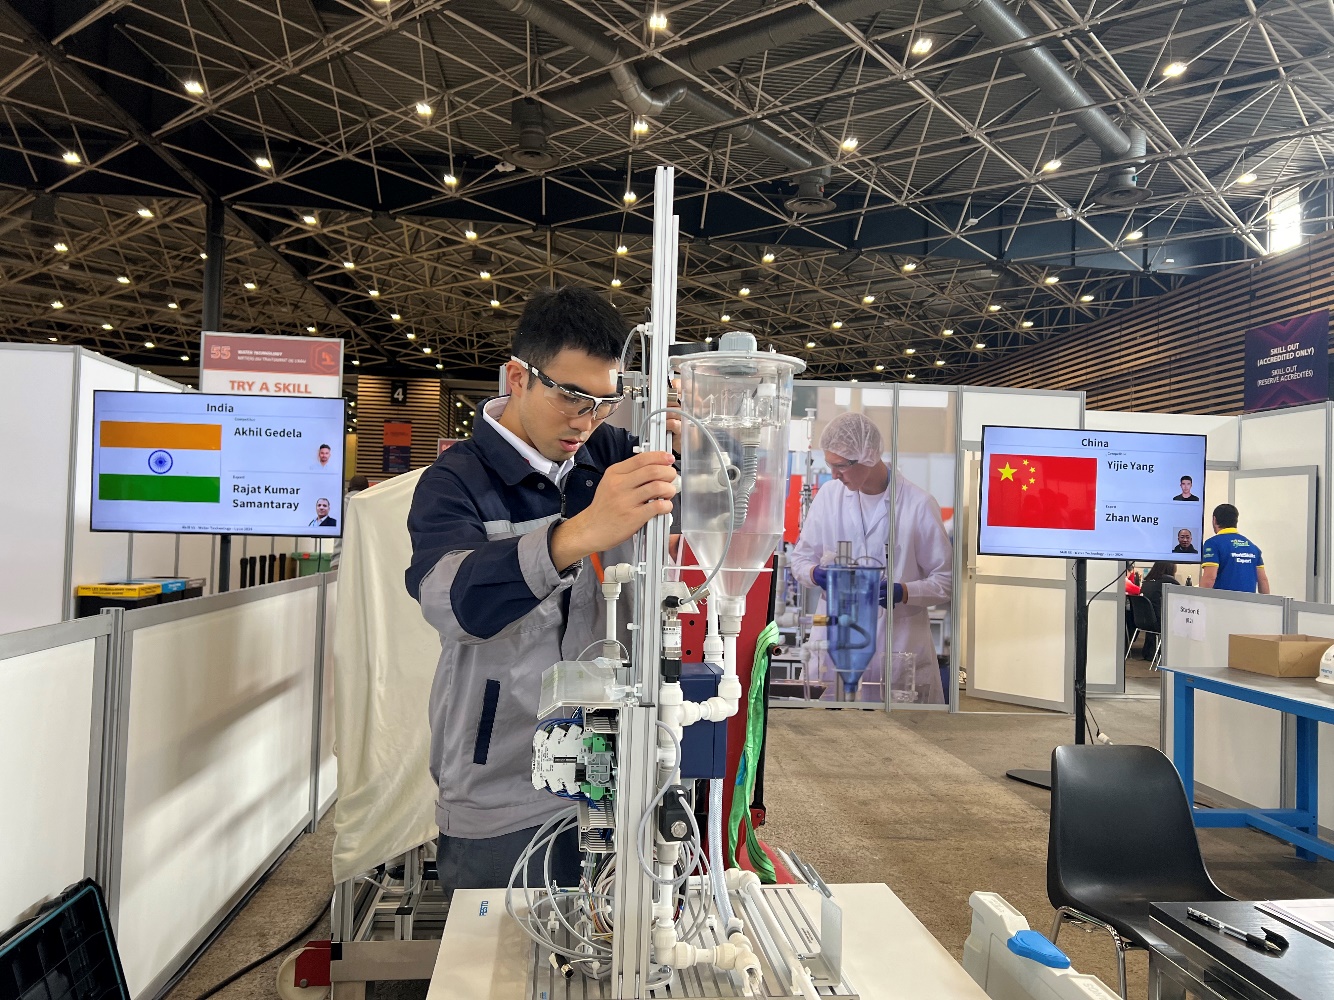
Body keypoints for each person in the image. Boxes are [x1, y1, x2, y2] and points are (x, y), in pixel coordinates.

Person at [405, 286, 678, 895]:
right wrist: (578, 533)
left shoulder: (604, 454)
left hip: (611, 777)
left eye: (603, 403)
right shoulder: (454, 482)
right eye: (571, 397)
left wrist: (697, 442)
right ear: (518, 377)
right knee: (495, 949)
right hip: (500, 790)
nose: (585, 421)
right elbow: (457, 605)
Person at [788, 412, 952, 704]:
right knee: (826, 726)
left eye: (840, 466)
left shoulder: (918, 505)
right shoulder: (829, 497)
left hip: (897, 643)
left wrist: (903, 592)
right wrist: (815, 573)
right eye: (830, 465)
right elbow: (800, 558)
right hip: (836, 643)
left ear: (868, 456)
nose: (834, 475)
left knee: (896, 728)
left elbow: (946, 581)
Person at [1200, 503, 1269, 594]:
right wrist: (1267, 602)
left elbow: (1209, 578)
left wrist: (1197, 600)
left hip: (1222, 601)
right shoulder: (1253, 547)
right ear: (1236, 521)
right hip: (1248, 602)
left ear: (1214, 520)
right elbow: (1263, 580)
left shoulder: (1213, 543)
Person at [1137, 562, 1178, 660]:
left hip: (1144, 621)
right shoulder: (1169, 581)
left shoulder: (1146, 581)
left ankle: (1150, 651)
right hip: (1159, 621)